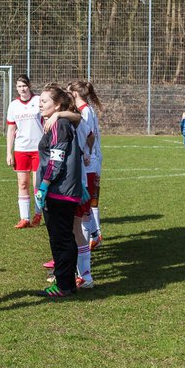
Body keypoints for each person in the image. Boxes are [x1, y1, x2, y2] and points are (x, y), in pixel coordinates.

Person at [35, 83, 86, 298]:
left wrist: (44, 185)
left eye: (44, 101)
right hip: (64, 189)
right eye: (39, 101)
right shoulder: (60, 121)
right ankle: (65, 281)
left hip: (59, 191)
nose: (40, 105)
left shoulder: (60, 124)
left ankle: (64, 285)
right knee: (63, 237)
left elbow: (57, 159)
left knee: (61, 238)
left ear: (57, 105)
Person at [68, 79, 104, 251]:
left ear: (74, 94)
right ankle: (94, 236)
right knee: (87, 205)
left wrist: (86, 154)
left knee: (84, 207)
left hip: (89, 163)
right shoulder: (86, 109)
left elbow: (89, 136)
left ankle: (90, 239)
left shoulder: (85, 112)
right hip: (92, 161)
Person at [5, 75, 44, 229]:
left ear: (29, 86)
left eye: (24, 85)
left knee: (38, 183)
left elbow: (47, 120)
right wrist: (9, 152)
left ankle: (38, 213)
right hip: (21, 149)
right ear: (16, 87)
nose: (22, 89)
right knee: (22, 183)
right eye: (19, 86)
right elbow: (11, 129)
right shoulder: (13, 105)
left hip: (38, 149)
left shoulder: (39, 100)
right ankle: (24, 218)